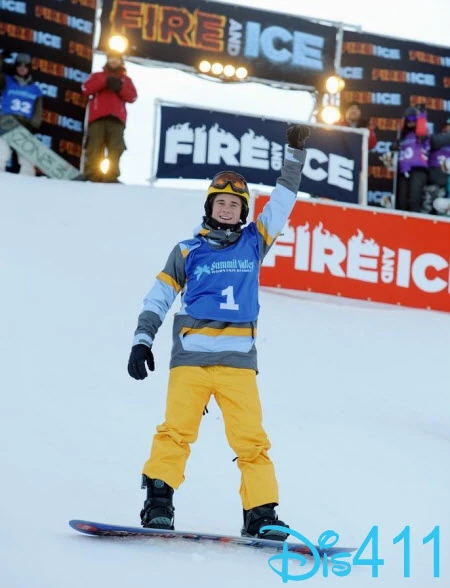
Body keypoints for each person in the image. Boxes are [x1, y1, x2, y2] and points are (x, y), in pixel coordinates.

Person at [127, 124, 310, 540]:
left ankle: (260, 514)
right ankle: (158, 504)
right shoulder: (187, 250)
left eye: (234, 204)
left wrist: (294, 156)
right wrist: (142, 340)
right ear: (209, 207)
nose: (227, 209)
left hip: (237, 365)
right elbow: (159, 296)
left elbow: (283, 201)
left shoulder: (254, 242)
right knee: (175, 432)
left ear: (244, 212)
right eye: (220, 202)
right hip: (190, 362)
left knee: (252, 441)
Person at [81, 49, 137, 182]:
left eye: (116, 58)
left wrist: (120, 88)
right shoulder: (98, 76)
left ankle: (111, 177)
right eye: (111, 58)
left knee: (116, 148)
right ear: (107, 59)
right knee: (94, 146)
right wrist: (104, 82)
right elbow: (85, 89)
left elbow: (132, 97)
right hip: (97, 118)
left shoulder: (126, 80)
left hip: (117, 120)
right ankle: (91, 175)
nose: (113, 61)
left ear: (121, 61)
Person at [0, 51, 43, 175]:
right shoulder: (7, 81)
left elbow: (38, 110)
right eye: (19, 65)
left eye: (25, 66)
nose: (22, 68)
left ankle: (26, 181)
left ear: (29, 68)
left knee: (27, 157)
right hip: (6, 122)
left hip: (24, 124)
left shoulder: (36, 89)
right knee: (2, 150)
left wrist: (34, 123)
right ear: (15, 67)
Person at [390, 106, 430, 213]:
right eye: (408, 119)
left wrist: (421, 116)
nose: (411, 122)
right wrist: (393, 147)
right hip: (403, 171)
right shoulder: (402, 136)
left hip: (418, 170)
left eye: (413, 119)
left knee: (414, 200)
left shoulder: (421, 134)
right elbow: (393, 152)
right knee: (402, 202)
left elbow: (422, 133)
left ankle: (415, 222)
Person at [427, 118, 450, 215]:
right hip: (433, 176)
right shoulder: (436, 137)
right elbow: (434, 142)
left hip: (447, 181)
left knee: (441, 208)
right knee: (428, 207)